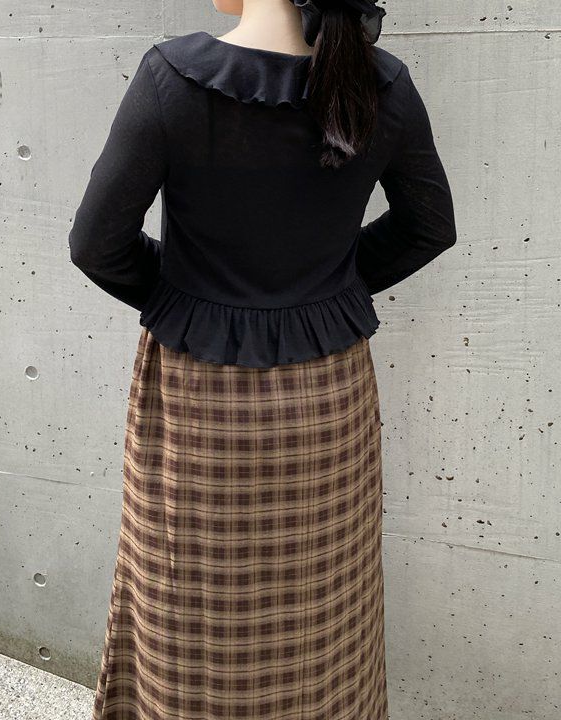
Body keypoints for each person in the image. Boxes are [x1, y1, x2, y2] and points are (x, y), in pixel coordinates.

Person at [68, 1, 456, 718]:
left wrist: (193, 304)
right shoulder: (382, 83)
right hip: (328, 401)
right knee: (326, 614)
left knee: (187, 612)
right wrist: (325, 297)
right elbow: (429, 226)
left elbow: (96, 244)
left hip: (197, 400)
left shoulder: (172, 80)